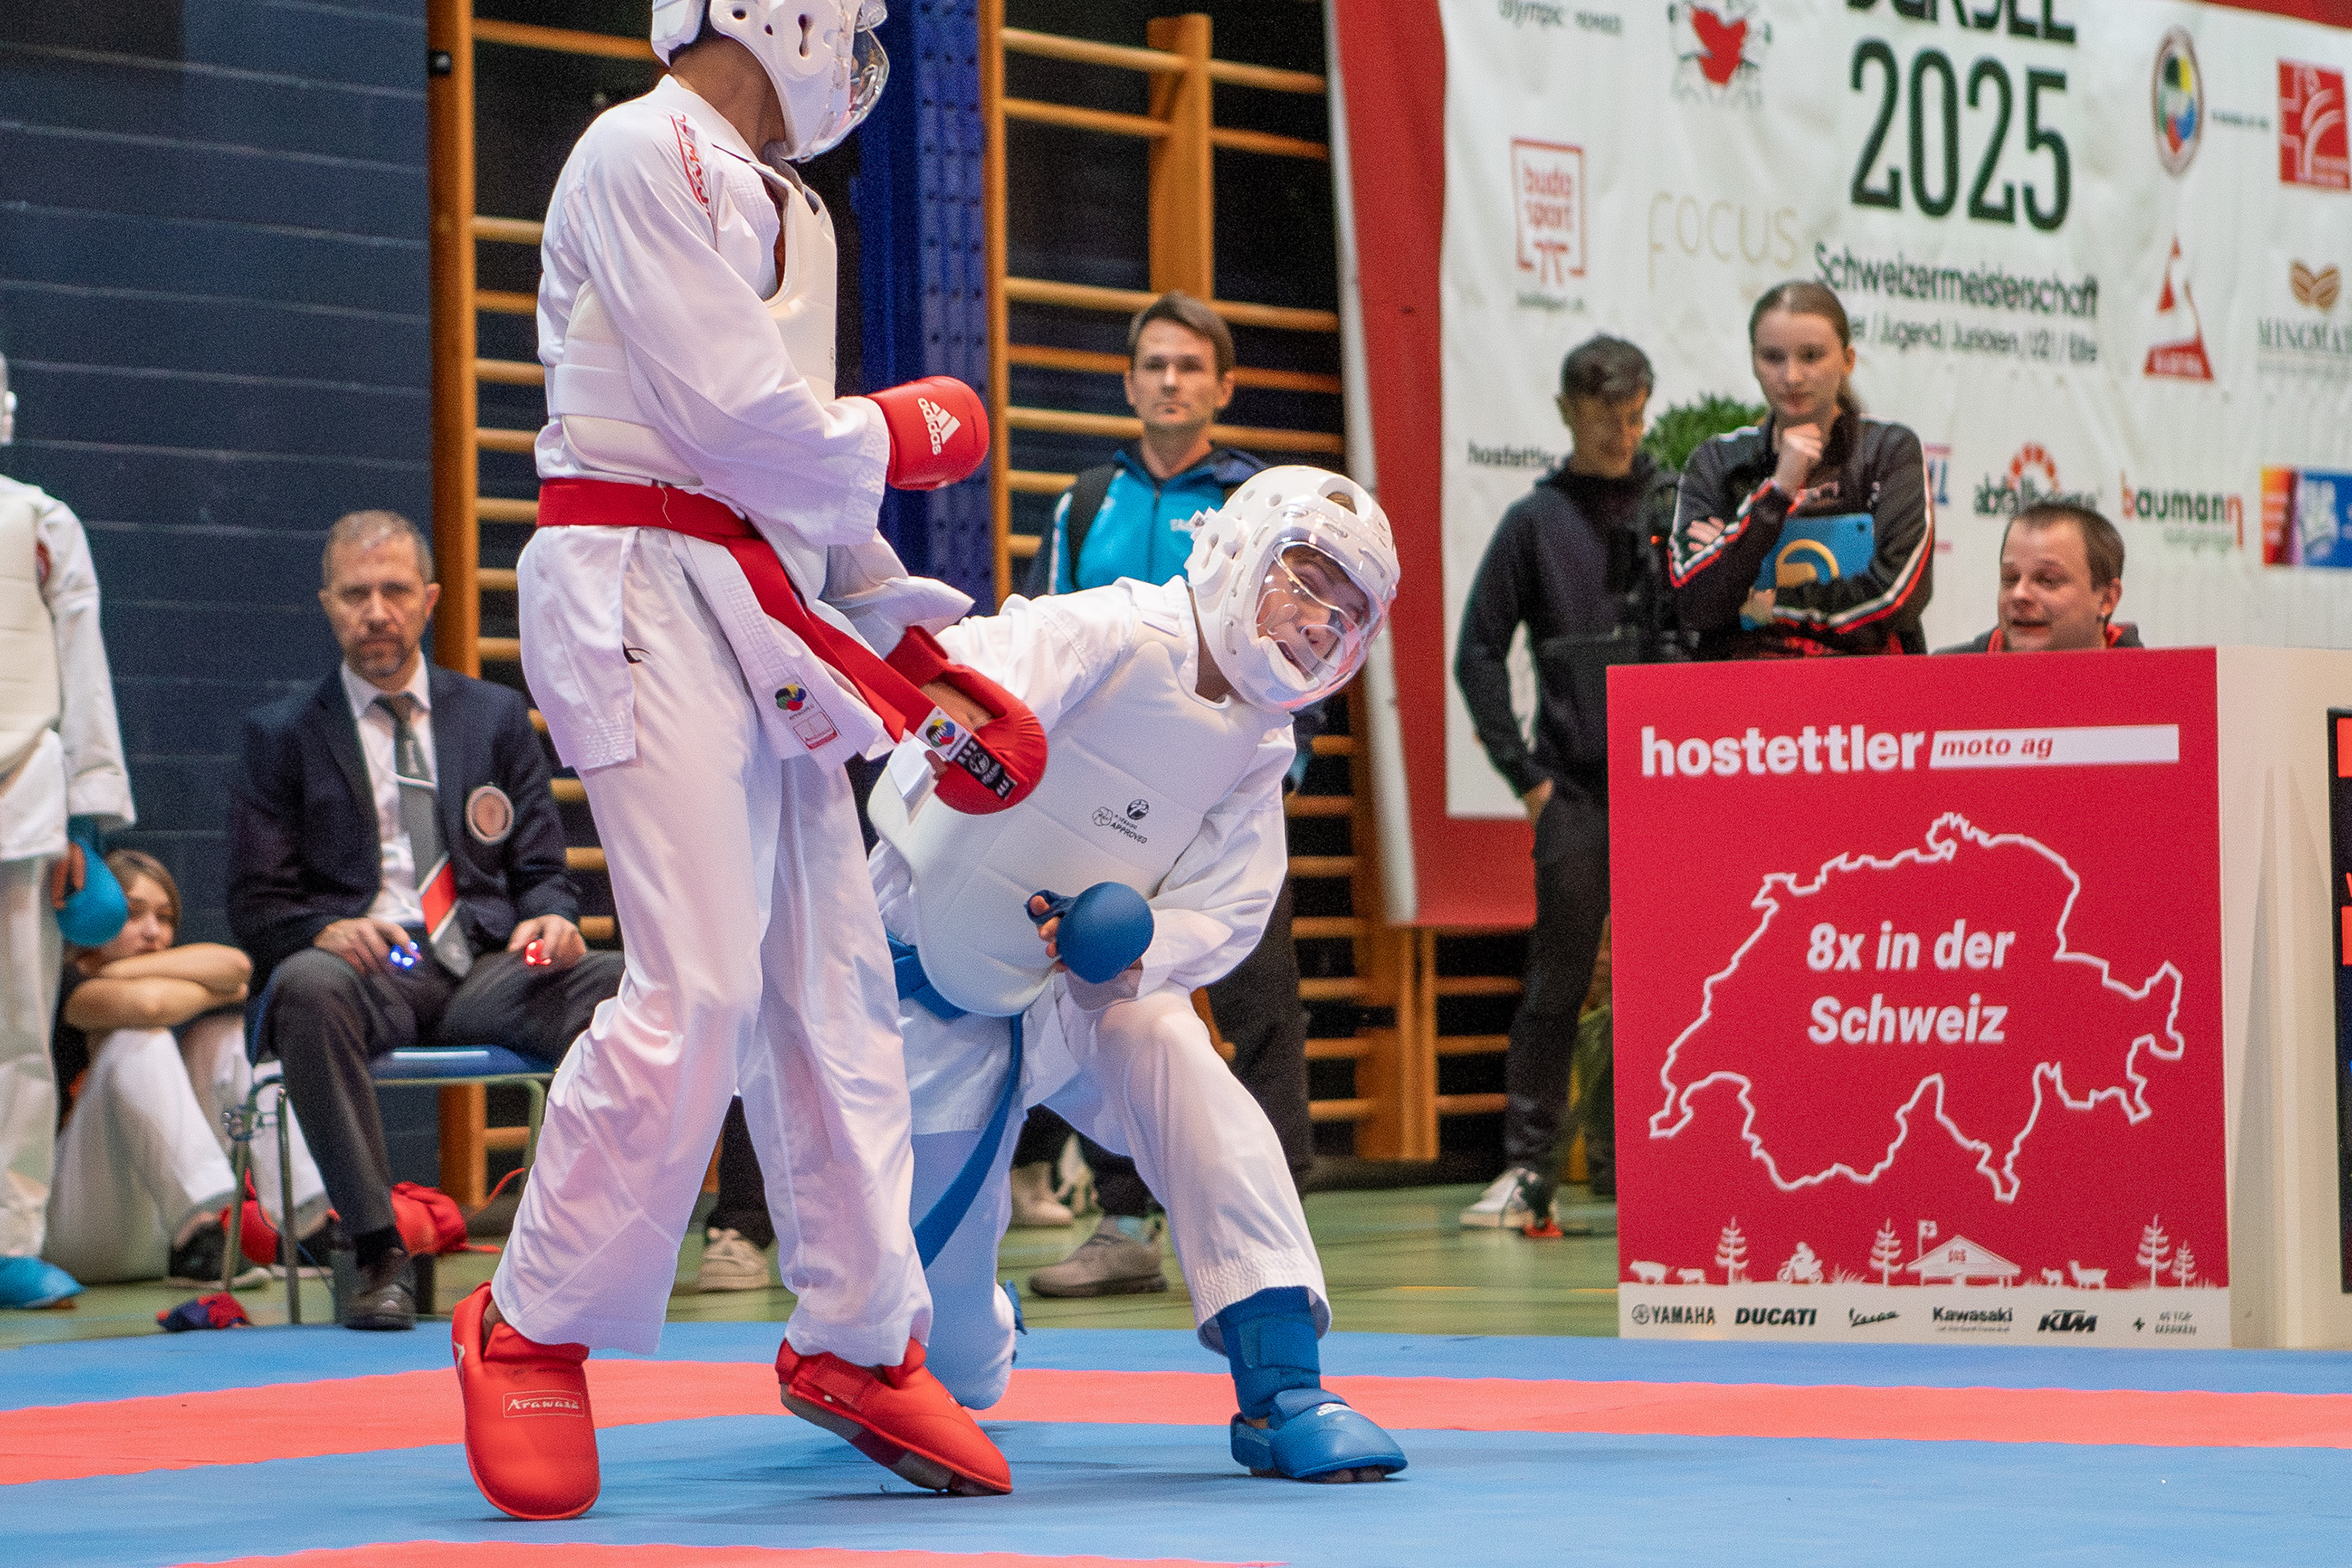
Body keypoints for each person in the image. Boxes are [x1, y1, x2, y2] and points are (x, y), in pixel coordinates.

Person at [455, 0, 1041, 1520]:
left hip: (765, 601)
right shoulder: (631, 152)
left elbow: (800, 485)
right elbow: (733, 416)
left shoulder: (802, 210)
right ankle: (530, 1318)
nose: (854, 63)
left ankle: (858, 1332)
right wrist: (903, 429)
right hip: (636, 580)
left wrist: (905, 641)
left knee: (831, 988)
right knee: (701, 985)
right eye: (852, 26)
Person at [876, 465, 1407, 1484]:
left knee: (1172, 1048)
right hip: (927, 988)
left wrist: (1136, 944)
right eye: (1307, 583)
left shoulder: (1258, 741)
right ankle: (982, 1324)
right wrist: (960, 727)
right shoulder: (1112, 633)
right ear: (1238, 551)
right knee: (958, 1367)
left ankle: (1283, 1383)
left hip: (1074, 995)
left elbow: (1232, 905)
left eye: (1343, 614)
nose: (1315, 623)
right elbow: (952, 677)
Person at [227, 510, 623, 1335]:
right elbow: (257, 905)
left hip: (484, 967)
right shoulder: (282, 735)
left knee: (623, 985)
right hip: (367, 971)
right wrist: (322, 931)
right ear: (328, 605)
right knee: (304, 985)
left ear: (430, 599)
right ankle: (377, 1252)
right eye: (356, 594)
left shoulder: (493, 717)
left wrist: (551, 921)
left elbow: (543, 874)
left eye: (395, 591)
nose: (377, 611)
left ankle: (571, 1242)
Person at [1016, 290, 1324, 1299]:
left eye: (1190, 366)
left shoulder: (1254, 500)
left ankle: (1276, 1226)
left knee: (1258, 999)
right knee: (1107, 990)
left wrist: (1282, 764)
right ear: (1129, 382)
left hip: (1225, 789)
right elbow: (1043, 627)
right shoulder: (1087, 498)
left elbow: (1311, 630)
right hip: (1106, 804)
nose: (1170, 381)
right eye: (1153, 364)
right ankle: (1122, 1223)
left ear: (1224, 387)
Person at [1452, 335, 1673, 1229]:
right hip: (1576, 791)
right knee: (1558, 983)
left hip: (1678, 786)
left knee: (1680, 982)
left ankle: (1664, 1166)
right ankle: (1528, 1170)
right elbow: (1477, 651)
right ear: (1565, 413)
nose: (1620, 432)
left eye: (1633, 414)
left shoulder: (1676, 506)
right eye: (1601, 415)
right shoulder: (1533, 522)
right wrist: (1526, 777)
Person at [0, 351, 135, 1311]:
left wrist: (83, 817)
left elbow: (82, 668)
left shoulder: (41, 524)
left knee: (18, 1030)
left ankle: (11, 1238)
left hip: (21, 794)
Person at [46, 850, 330, 1286]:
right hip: (77, 1228)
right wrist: (221, 991)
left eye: (164, 918)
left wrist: (121, 967)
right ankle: (197, 1232)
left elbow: (237, 966)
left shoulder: (138, 967)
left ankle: (306, 1228)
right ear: (97, 916)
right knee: (141, 1037)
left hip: (155, 1226)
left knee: (226, 1038)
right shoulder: (63, 982)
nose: (153, 931)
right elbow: (148, 1006)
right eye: (133, 914)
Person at [1667, 281, 1932, 658]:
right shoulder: (1717, 462)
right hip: (1745, 687)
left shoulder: (1888, 451)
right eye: (1773, 357)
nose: (1791, 376)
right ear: (1753, 361)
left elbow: (1896, 598)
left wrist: (1767, 605)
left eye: (1811, 356)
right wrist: (1777, 492)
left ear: (1847, 360)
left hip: (1866, 686)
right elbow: (1697, 604)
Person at [1938, 502, 2141, 653]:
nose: (2019, 594)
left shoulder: (2148, 686)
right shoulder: (1945, 680)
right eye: (2010, 578)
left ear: (2107, 599)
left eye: (2047, 580)